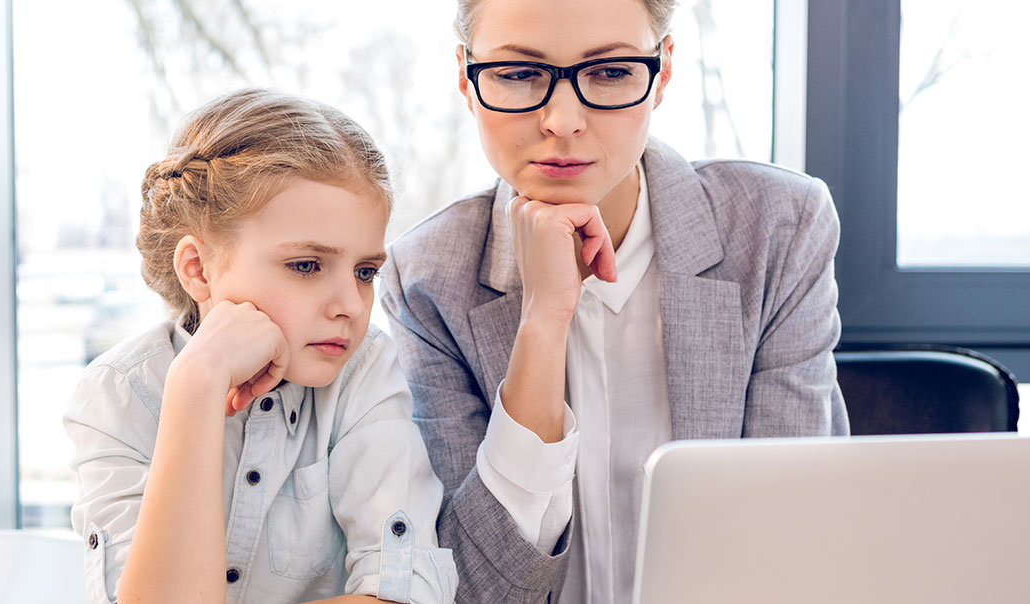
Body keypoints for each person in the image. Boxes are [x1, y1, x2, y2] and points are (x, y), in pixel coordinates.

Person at [379, 0, 849, 602]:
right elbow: (471, 589)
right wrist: (542, 326)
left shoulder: (780, 231)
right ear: (467, 76)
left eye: (610, 72)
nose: (563, 120)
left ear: (663, 72)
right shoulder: (425, 282)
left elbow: (796, 536)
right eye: (521, 74)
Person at [65, 88, 457, 604]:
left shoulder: (364, 371)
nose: (352, 306)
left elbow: (407, 595)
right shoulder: (118, 396)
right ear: (198, 270)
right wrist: (197, 386)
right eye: (306, 266)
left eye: (365, 272)